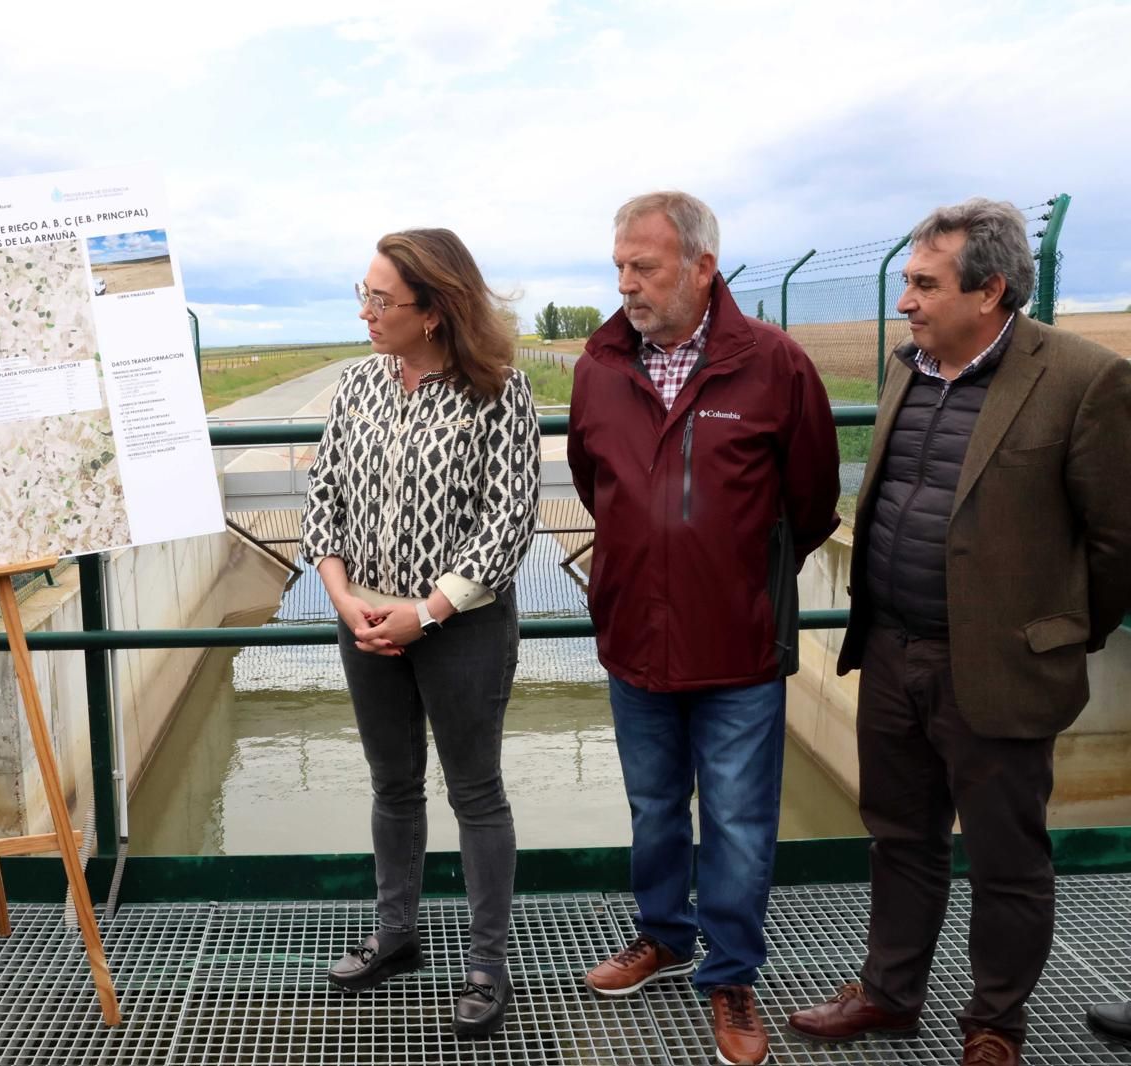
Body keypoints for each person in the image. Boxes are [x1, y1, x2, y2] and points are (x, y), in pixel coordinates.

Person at [786, 199, 1131, 1066]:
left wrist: (1058, 636)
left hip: (1001, 666)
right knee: (900, 840)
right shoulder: (907, 366)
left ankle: (994, 1025)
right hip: (891, 650)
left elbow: (1117, 539)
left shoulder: (1084, 379)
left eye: (924, 284)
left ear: (991, 290)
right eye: (906, 280)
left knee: (1008, 859)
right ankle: (889, 995)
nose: (904, 300)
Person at [567, 191, 840, 1066]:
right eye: (619, 266)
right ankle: (663, 936)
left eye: (644, 267)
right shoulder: (600, 367)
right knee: (653, 808)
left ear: (701, 266)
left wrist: (732, 580)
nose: (626, 284)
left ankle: (730, 973)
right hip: (634, 640)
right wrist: (645, 565)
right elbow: (596, 484)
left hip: (737, 647)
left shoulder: (774, 365)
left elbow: (812, 501)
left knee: (738, 820)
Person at [301, 228, 540, 1038]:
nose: (366, 312)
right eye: (363, 294)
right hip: (366, 621)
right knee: (392, 785)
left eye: (382, 300)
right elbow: (325, 497)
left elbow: (509, 521)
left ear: (434, 311)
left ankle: (487, 965)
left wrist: (428, 610)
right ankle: (396, 934)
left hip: (461, 628)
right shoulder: (357, 385)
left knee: (475, 792)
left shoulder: (500, 392)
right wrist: (345, 601)